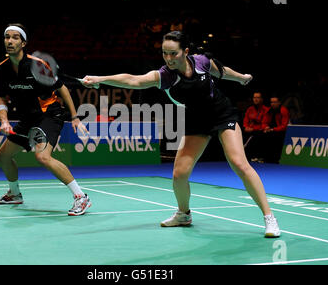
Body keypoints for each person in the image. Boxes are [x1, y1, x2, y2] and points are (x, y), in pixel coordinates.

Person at [82, 31, 280, 237]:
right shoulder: (166, 76)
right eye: (164, 53)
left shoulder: (201, 62)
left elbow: (221, 72)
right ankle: (183, 214)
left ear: (185, 52)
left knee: (239, 163)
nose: (168, 59)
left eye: (173, 53)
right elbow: (134, 80)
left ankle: (269, 217)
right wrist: (100, 79)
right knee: (179, 175)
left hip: (221, 114)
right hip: (196, 121)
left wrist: (241, 78)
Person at [0, 23, 91, 216]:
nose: (9, 41)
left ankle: (81, 197)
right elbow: (1, 98)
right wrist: (4, 120)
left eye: (14, 37)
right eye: (7, 37)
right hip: (27, 117)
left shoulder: (37, 65)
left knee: (43, 157)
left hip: (50, 114)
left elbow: (61, 87)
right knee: (3, 155)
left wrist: (75, 117)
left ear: (23, 43)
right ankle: (14, 194)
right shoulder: (2, 69)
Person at [259, 95, 290, 163]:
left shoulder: (284, 111)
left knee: (275, 138)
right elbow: (264, 122)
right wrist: (265, 127)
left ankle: (275, 159)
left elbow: (284, 126)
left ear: (279, 103)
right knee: (261, 135)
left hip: (281, 132)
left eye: (275, 102)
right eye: (271, 102)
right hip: (270, 130)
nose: (272, 104)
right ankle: (264, 157)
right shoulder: (268, 110)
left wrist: (273, 129)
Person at [243, 91, 269, 162]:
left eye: (258, 97)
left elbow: (264, 123)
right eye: (254, 97)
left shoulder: (266, 110)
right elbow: (245, 120)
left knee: (258, 135)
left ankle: (257, 157)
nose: (256, 99)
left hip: (258, 131)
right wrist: (245, 127)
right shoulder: (250, 109)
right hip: (248, 130)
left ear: (262, 99)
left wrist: (253, 129)